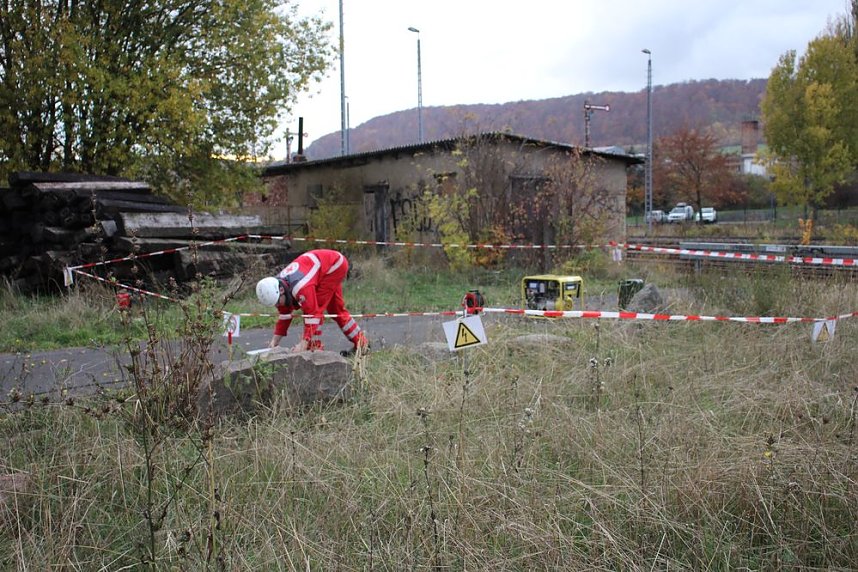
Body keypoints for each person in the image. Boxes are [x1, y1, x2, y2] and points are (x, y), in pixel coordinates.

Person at [256, 249, 368, 355]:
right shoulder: (278, 286)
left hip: (334, 265)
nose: (278, 306)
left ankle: (315, 349)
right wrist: (274, 342)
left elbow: (313, 315)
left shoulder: (301, 288)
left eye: (277, 302)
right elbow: (284, 315)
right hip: (325, 266)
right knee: (336, 310)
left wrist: (303, 343)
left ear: (281, 290)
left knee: (315, 308)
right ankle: (362, 343)